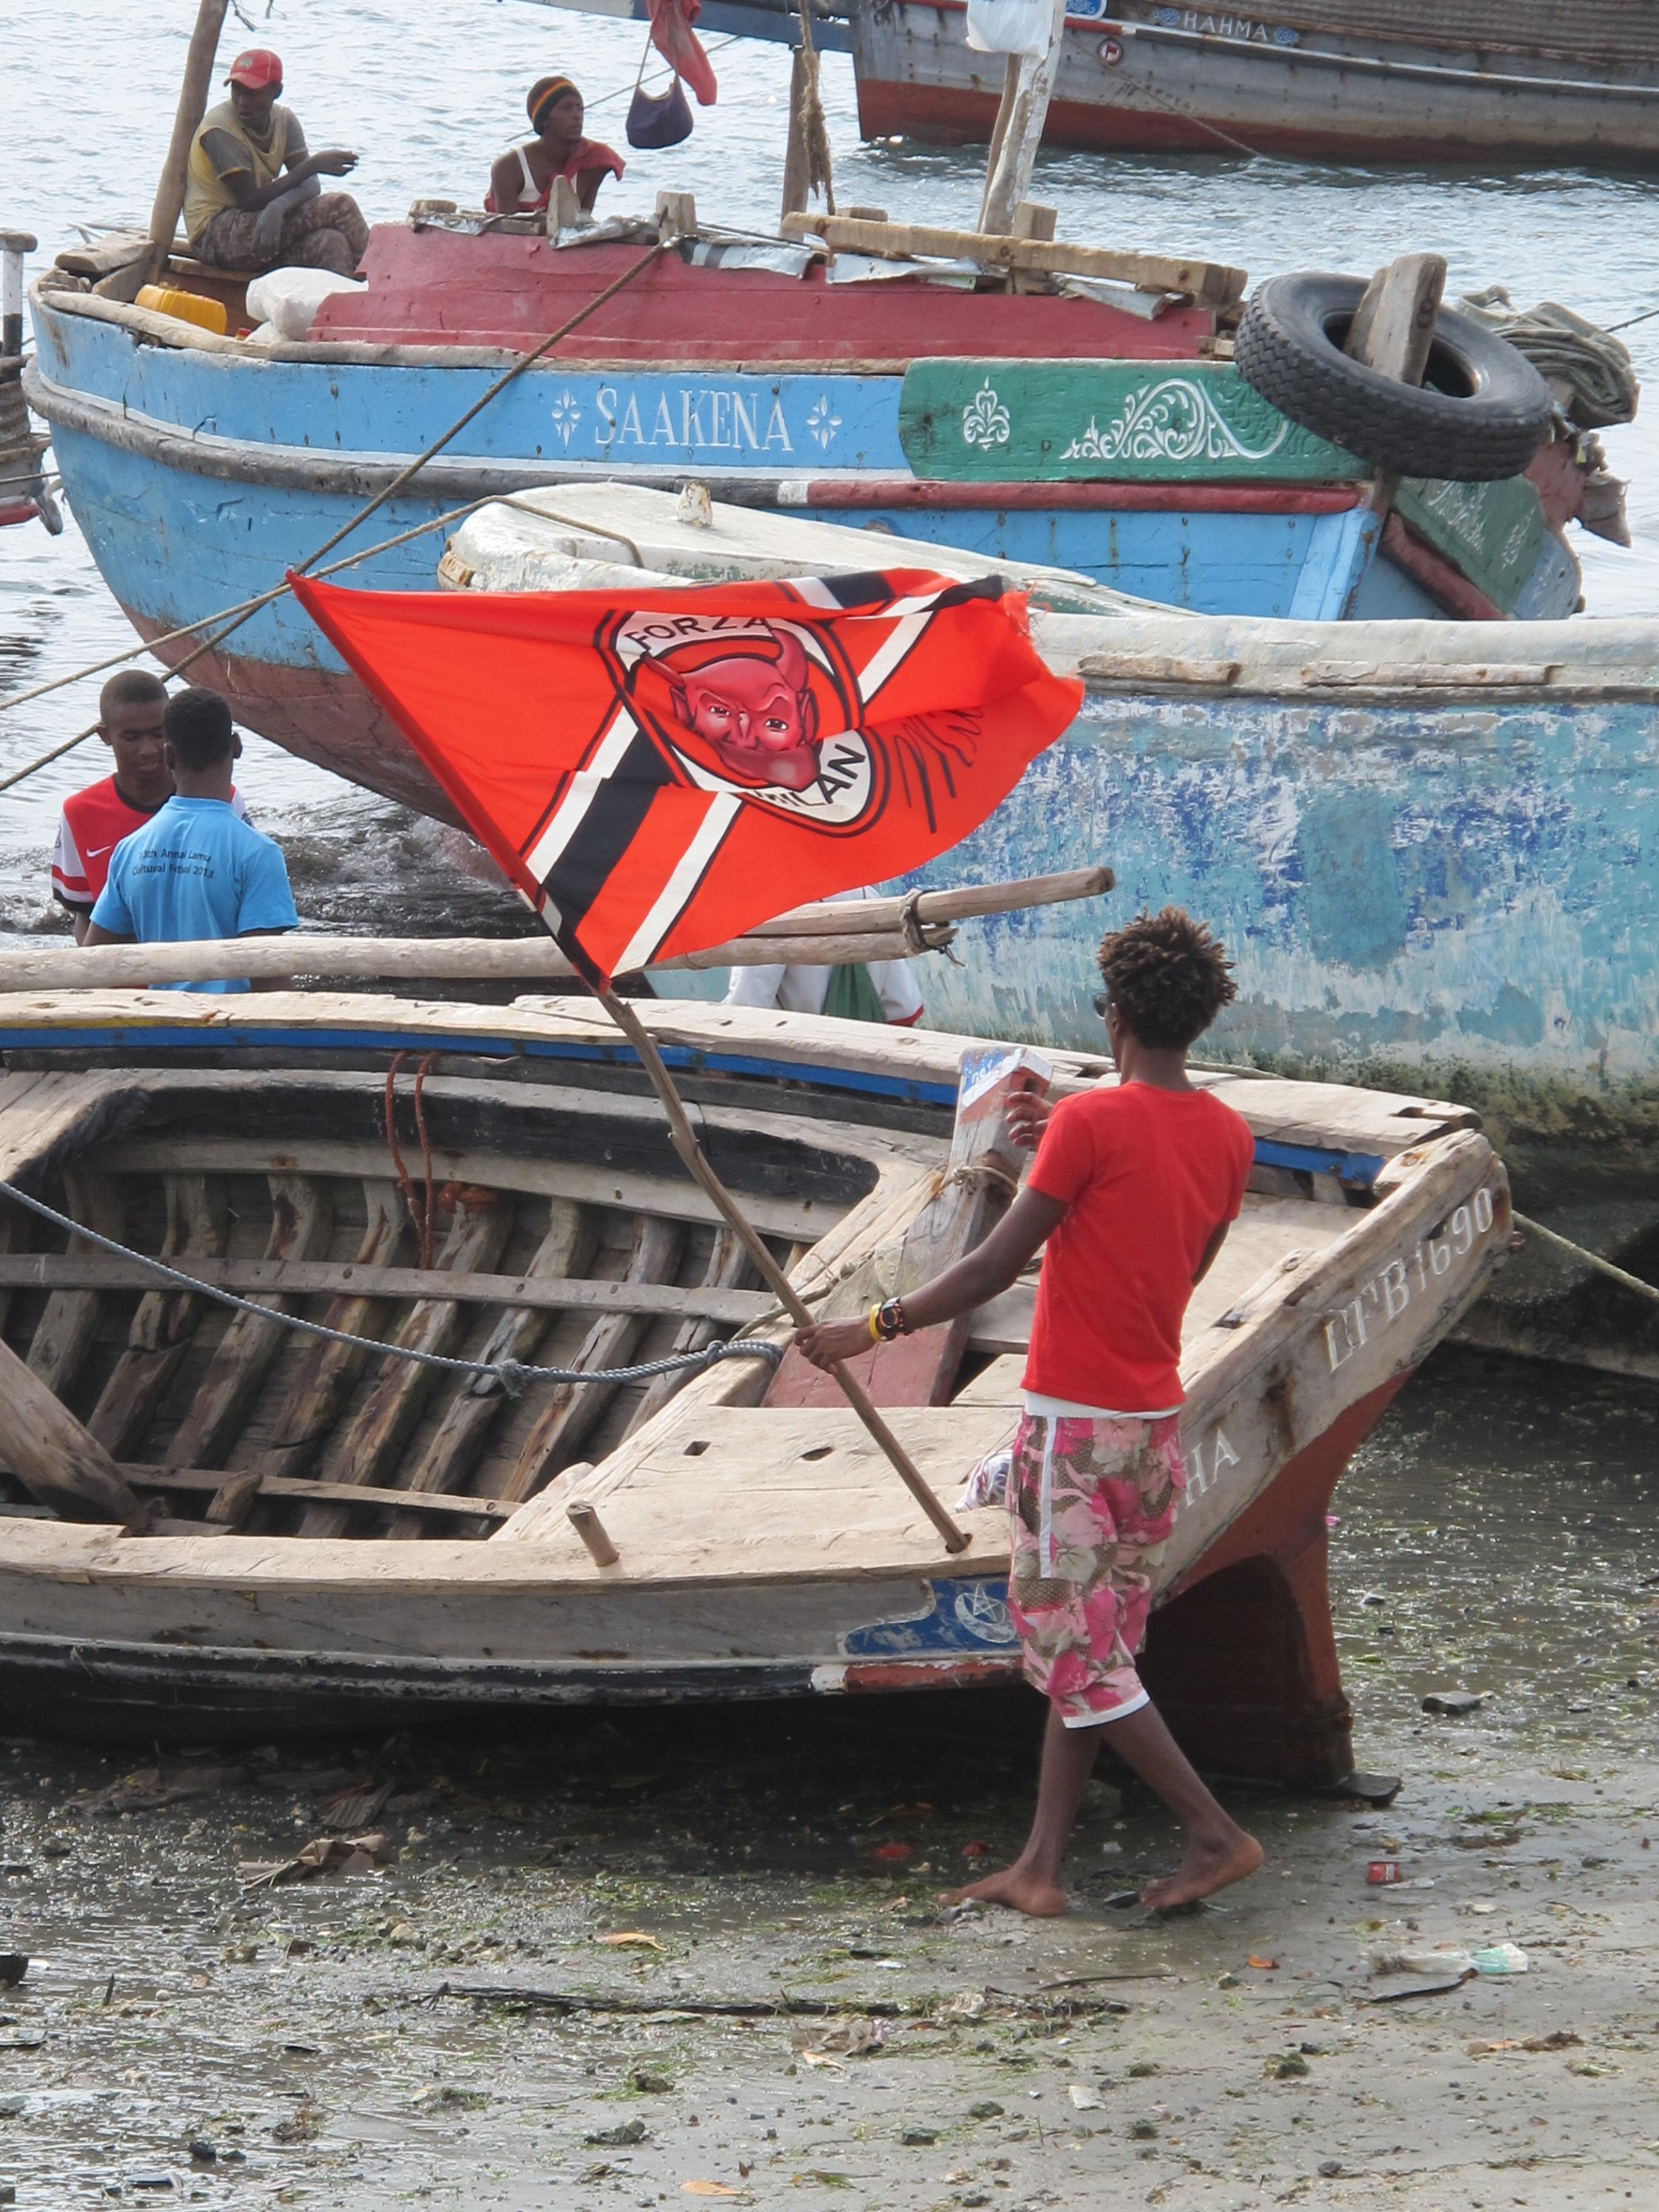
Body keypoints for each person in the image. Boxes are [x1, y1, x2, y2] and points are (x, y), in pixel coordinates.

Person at [794, 907, 1265, 1917]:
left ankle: (1214, 1833)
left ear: (1117, 1016)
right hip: (1147, 1432)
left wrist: (868, 1326)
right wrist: (1065, 1144)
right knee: (1096, 1650)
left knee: (1064, 1641)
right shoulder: (1225, 1133)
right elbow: (1176, 1260)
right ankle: (1040, 1867)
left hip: (1073, 1432)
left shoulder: (1091, 1123)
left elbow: (994, 1265)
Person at [85, 688, 298, 993]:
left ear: (168, 754)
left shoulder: (131, 848)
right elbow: (270, 980)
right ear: (235, 747)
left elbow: (92, 961)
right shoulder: (257, 853)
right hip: (228, 1033)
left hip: (157, 1029)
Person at [51, 671, 250, 945]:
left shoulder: (224, 801)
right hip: (123, 980)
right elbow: (85, 914)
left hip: (202, 975)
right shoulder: (79, 813)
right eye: (132, 738)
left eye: (159, 734)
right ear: (105, 736)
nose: (148, 750)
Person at [184, 49, 367, 278]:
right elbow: (249, 200)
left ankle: (350, 306)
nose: (243, 102)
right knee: (340, 206)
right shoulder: (220, 130)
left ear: (276, 92)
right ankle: (381, 282)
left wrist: (279, 206)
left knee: (331, 243)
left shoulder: (285, 121)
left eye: (253, 94)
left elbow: (311, 186)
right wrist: (313, 165)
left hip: (259, 224)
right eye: (237, 92)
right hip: (215, 234)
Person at [723, 886, 924, 1026]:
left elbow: (747, 1002)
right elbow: (903, 1005)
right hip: (867, 1046)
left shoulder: (773, 905)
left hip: (798, 1055)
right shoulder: (868, 896)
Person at [486, 76, 624, 218]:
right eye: (567, 108)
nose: (577, 116)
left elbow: (582, 222)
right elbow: (508, 231)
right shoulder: (509, 167)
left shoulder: (593, 161)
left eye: (580, 109)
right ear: (544, 120)